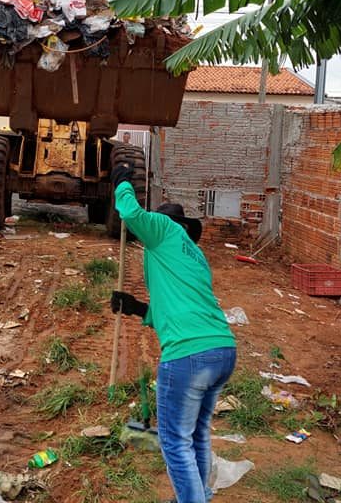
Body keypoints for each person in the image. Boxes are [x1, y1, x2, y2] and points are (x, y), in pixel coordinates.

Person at [109, 162, 236, 503]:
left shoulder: (164, 229)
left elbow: (130, 213)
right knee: (196, 435)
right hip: (222, 349)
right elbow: (177, 310)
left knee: (175, 442)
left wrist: (122, 181)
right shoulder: (194, 255)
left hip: (189, 355)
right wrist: (137, 308)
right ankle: (199, 494)